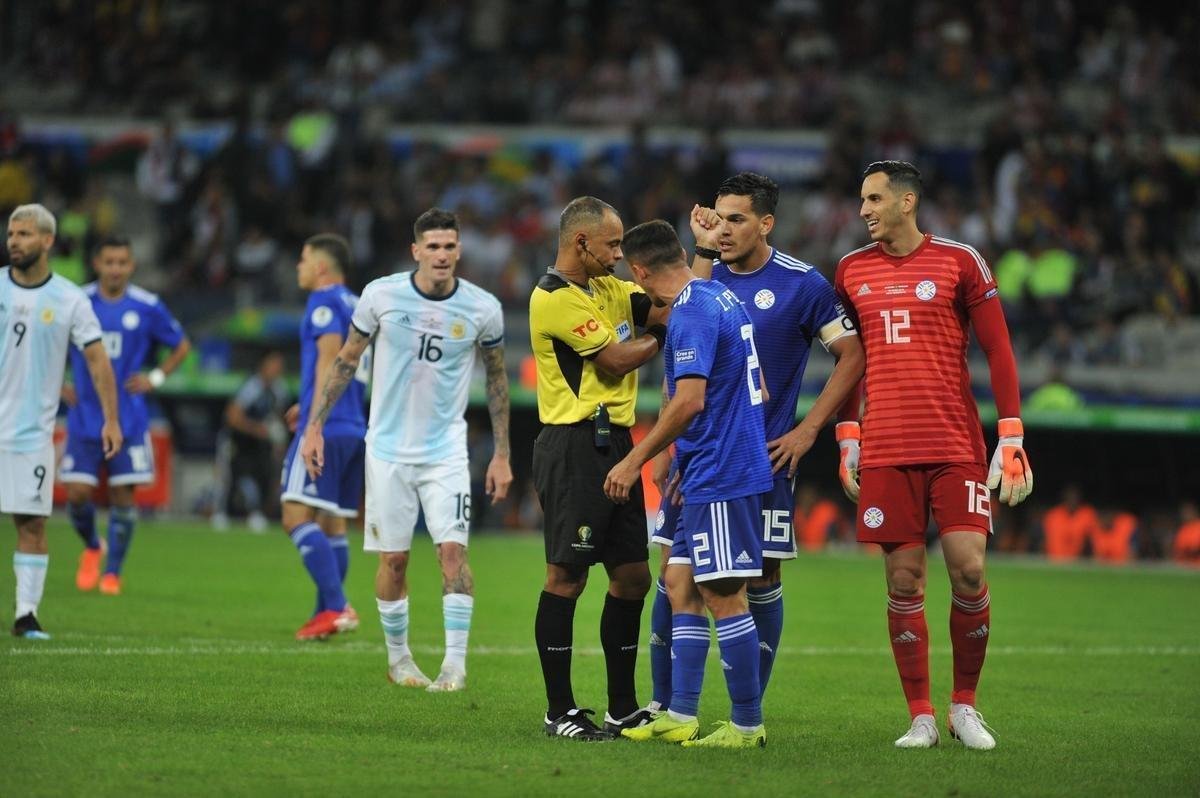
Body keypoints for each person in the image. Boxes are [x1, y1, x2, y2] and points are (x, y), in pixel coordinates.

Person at [646, 172, 864, 712]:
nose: (724, 230)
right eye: (718, 218)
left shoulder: (803, 283)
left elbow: (853, 355)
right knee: (675, 573)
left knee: (760, 574)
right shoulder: (705, 276)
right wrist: (665, 446)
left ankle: (747, 708)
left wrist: (808, 430)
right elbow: (681, 341)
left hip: (763, 458)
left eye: (737, 219)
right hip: (696, 457)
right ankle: (662, 704)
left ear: (766, 223)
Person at [834, 161, 1033, 750]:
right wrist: (849, 435)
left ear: (907, 201)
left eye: (873, 199)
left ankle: (963, 707)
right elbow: (847, 363)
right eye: (861, 199)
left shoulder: (959, 261)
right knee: (903, 579)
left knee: (969, 570)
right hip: (887, 447)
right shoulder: (849, 271)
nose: (864, 209)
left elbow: (998, 348)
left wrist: (1013, 436)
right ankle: (920, 714)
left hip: (955, 442)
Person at [301, 208, 513, 693]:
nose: (442, 255)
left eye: (449, 246)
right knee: (394, 561)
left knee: (453, 553)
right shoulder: (381, 295)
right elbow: (346, 361)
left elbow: (498, 379)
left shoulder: (482, 308)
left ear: (459, 251)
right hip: (388, 451)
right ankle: (399, 661)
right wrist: (315, 427)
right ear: (416, 251)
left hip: (446, 453)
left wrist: (501, 454)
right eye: (432, 247)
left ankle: (454, 667)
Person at [605, 219, 771, 748]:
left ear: (639, 272)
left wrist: (635, 458)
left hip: (723, 472)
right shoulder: (719, 296)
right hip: (701, 467)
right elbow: (758, 388)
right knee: (679, 583)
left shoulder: (692, 313)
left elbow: (691, 400)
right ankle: (681, 713)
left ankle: (747, 725)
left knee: (724, 595)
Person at [528, 196, 668, 740]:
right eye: (612, 244)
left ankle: (621, 708)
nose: (619, 254)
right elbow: (613, 359)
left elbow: (666, 300)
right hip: (573, 445)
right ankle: (558, 710)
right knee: (567, 577)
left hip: (619, 445)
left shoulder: (608, 287)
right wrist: (665, 338)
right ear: (581, 243)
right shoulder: (553, 298)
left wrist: (704, 252)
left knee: (633, 577)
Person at [2, 204, 121, 638]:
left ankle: (25, 615)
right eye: (12, 234)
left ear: (47, 241)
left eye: (24, 234)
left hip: (32, 432)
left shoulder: (71, 299)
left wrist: (111, 418)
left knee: (31, 524)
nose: (14, 241)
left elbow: (96, 361)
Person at [60, 235, 190, 596]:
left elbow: (181, 345)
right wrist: (58, 383)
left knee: (123, 497)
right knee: (77, 494)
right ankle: (92, 546)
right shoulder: (77, 301)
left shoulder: (147, 306)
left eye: (122, 262)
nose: (115, 268)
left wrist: (156, 377)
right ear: (97, 264)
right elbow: (51, 342)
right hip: (86, 414)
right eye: (109, 262)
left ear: (131, 265)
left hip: (130, 417)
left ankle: (113, 572)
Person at [278, 234, 365, 640]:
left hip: (326, 428)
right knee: (331, 524)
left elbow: (331, 360)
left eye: (303, 258)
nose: (299, 266)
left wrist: (314, 421)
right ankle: (322, 616)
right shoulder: (358, 305)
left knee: (294, 515)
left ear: (322, 267)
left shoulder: (323, 302)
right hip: (353, 424)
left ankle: (335, 605)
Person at [214, 351, 290, 531]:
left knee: (264, 474)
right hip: (238, 439)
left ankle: (257, 514)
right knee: (230, 476)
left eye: (280, 366)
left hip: (259, 443)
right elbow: (232, 416)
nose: (277, 369)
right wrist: (257, 429)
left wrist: (278, 437)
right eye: (273, 365)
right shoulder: (252, 386)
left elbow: (279, 416)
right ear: (263, 365)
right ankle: (221, 513)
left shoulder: (280, 389)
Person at [1040, 485, 1097, 561]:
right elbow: (1043, 540)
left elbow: (1093, 541)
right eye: (1070, 497)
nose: (1072, 500)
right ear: (1064, 498)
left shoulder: (1087, 515)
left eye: (1075, 497)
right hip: (1054, 562)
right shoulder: (1053, 515)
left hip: (1078, 563)